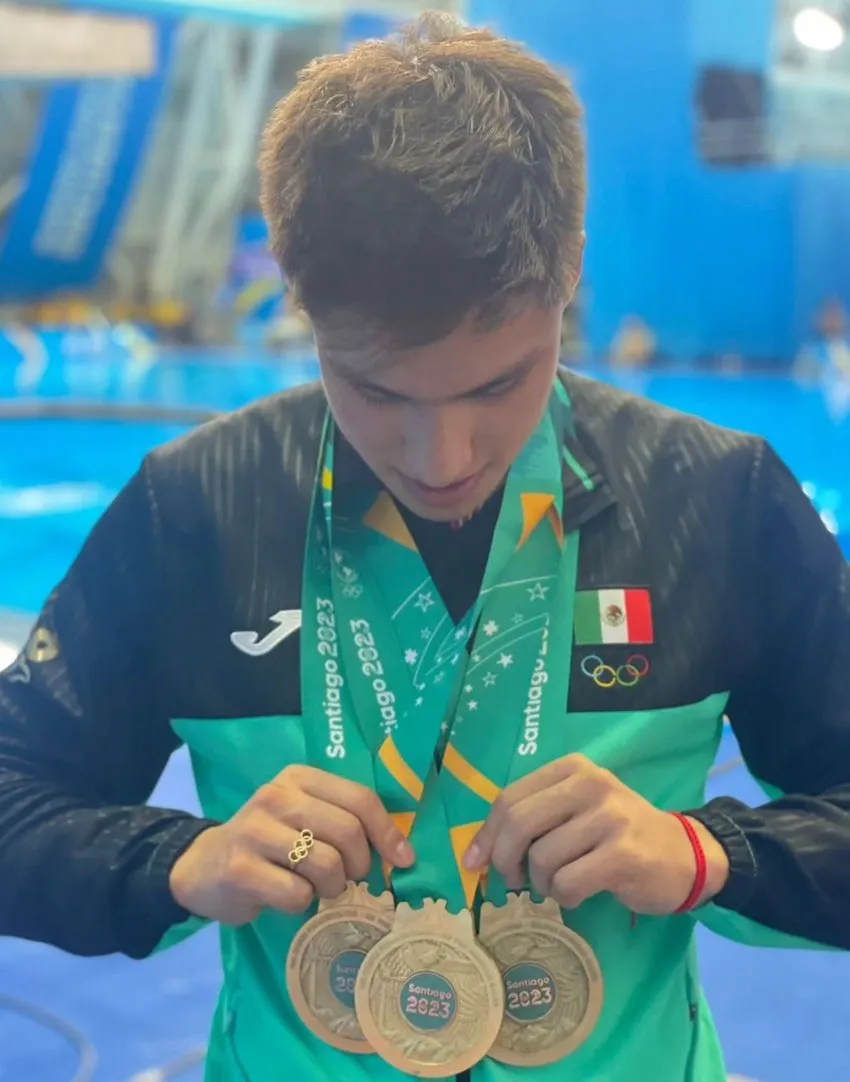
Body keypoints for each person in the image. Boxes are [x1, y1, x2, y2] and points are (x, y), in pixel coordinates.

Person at [1, 13, 850, 1082]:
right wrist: (182, 859)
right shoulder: (200, 508)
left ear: (569, 275)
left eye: (497, 384)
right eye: (375, 389)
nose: (441, 456)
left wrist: (704, 852)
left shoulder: (712, 501)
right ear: (300, 303)